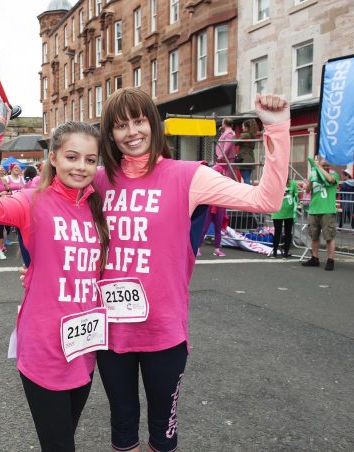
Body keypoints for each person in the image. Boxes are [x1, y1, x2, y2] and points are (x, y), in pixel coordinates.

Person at [94, 89, 290, 452]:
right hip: (109, 331)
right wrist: (39, 271)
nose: (132, 132)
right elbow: (53, 223)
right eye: (121, 125)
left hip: (164, 331)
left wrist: (277, 129)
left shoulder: (188, 176)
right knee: (121, 427)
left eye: (139, 121)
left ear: (153, 124)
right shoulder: (98, 181)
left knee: (162, 435)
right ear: (110, 134)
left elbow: (267, 200)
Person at [0, 101, 110, 451]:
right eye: (72, 157)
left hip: (85, 345)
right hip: (44, 345)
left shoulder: (97, 207)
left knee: (65, 437)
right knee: (60, 446)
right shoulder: (32, 200)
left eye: (90, 160)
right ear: (53, 158)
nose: (80, 167)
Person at [301, 155, 339, 271]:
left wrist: (318, 167)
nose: (326, 167)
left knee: (329, 236)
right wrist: (312, 178)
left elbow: (330, 180)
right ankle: (314, 258)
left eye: (327, 165)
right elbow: (307, 190)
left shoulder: (333, 175)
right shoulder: (315, 174)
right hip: (314, 210)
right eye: (324, 165)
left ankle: (330, 260)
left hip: (327, 210)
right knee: (314, 236)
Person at [198, 164, 229, 257]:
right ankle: (197, 248)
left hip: (219, 207)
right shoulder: (208, 182)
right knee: (204, 229)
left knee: (218, 229)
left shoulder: (223, 183)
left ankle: (217, 249)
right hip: (209, 206)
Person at [271, 177, 299, 259]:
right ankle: (275, 251)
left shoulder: (293, 183)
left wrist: (294, 198)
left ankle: (286, 252)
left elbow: (296, 195)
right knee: (277, 231)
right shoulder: (275, 182)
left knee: (288, 232)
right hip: (277, 211)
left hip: (289, 211)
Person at [238, 119, 259, 184]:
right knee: (247, 177)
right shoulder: (252, 136)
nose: (242, 128)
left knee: (246, 179)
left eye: (243, 126)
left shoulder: (245, 135)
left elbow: (235, 142)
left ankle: (248, 192)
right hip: (250, 159)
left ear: (246, 128)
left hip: (245, 160)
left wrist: (233, 135)